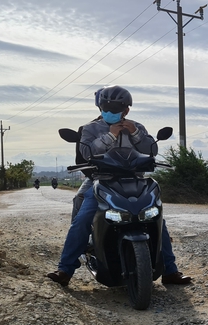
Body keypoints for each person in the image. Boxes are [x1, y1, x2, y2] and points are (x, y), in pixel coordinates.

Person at [47, 85, 192, 286]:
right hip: (101, 180)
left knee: (157, 219)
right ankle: (65, 269)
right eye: (106, 107)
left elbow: (152, 150)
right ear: (100, 107)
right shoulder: (90, 129)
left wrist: (135, 134)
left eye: (117, 108)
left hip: (135, 180)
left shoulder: (137, 127)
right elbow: (86, 153)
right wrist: (110, 135)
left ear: (126, 110)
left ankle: (170, 270)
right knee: (82, 219)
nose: (111, 111)